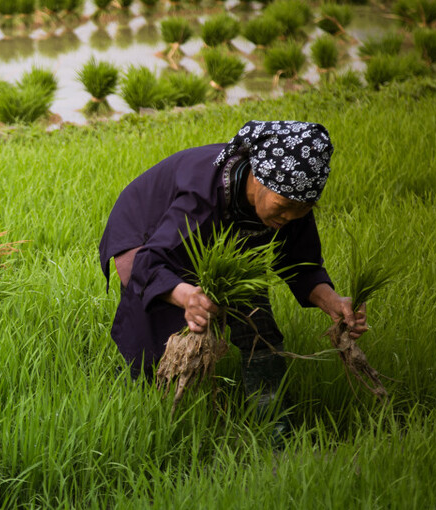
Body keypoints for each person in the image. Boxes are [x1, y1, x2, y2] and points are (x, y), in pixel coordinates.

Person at [98, 120, 368, 419]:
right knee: (157, 325)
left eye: (303, 208)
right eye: (283, 205)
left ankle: (273, 421)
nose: (290, 216)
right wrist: (188, 297)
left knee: (254, 314)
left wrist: (333, 302)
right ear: (258, 178)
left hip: (219, 239)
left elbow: (301, 264)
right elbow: (149, 265)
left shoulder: (292, 200)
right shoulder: (202, 197)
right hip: (146, 232)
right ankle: (144, 407)